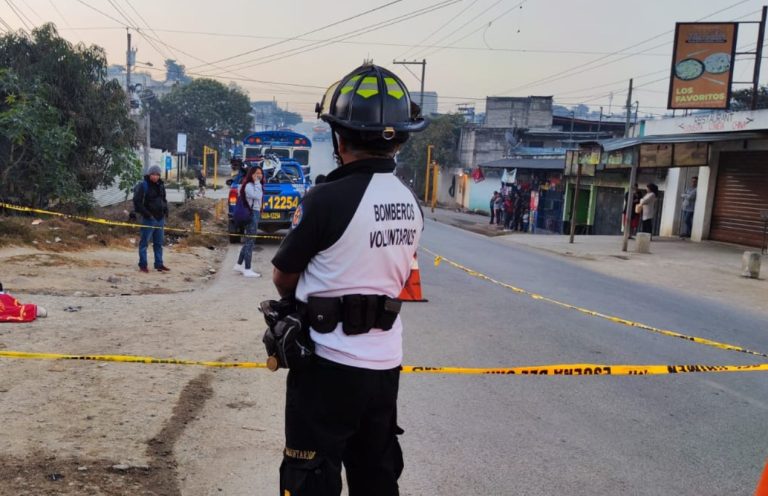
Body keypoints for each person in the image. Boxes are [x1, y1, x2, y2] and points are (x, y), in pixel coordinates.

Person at [269, 63, 427, 496]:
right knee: (376, 477)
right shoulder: (410, 202)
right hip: (384, 366)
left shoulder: (326, 199)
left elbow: (283, 276)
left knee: (310, 478)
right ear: (400, 138)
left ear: (339, 138)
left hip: (328, 365)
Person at [133, 165, 169, 273]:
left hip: (160, 219)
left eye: (157, 174)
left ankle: (159, 264)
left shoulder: (161, 185)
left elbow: (164, 199)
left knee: (158, 243)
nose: (155, 176)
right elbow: (137, 202)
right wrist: (148, 214)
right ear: (149, 174)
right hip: (148, 219)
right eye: (153, 174)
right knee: (144, 243)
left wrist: (166, 211)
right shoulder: (143, 185)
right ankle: (143, 265)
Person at [233, 165, 264, 278]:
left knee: (248, 241)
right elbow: (257, 196)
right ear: (251, 174)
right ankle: (247, 269)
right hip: (251, 214)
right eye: (256, 173)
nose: (259, 175)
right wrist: (257, 183)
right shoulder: (249, 186)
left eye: (260, 173)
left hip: (254, 213)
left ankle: (238, 264)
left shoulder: (254, 185)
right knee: (250, 242)